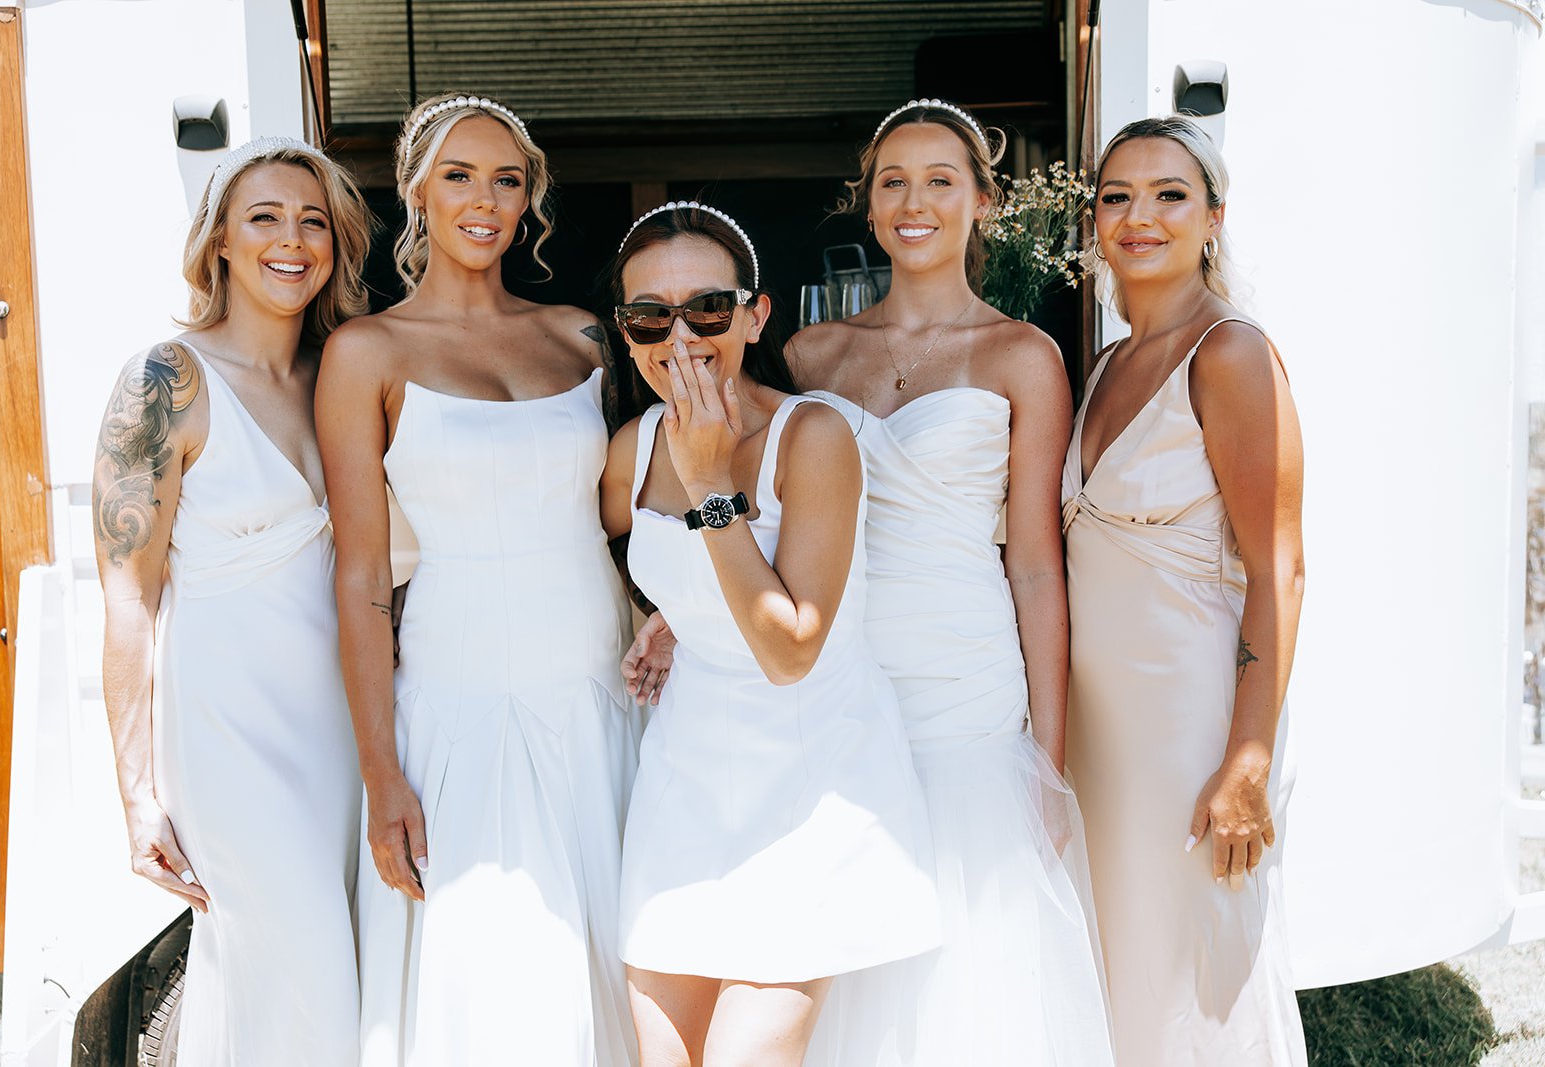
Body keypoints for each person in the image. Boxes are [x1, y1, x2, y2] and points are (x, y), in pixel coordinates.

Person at [317, 92, 639, 1066]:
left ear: (529, 198)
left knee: (608, 954)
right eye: (458, 175)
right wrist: (380, 771)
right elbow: (362, 575)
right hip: (458, 700)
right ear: (417, 191)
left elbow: (641, 502)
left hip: (595, 686)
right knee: (492, 980)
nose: (484, 199)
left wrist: (667, 614)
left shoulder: (583, 336)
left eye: (506, 179)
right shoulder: (366, 352)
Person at [791, 99, 1114, 1066]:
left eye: (941, 181)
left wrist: (1047, 759)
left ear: (983, 202)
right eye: (894, 182)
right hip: (846, 674)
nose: (914, 202)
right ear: (869, 204)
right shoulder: (812, 355)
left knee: (974, 947)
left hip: (969, 684)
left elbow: (1037, 567)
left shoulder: (1024, 356)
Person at [602, 202, 939, 1067]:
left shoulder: (813, 436)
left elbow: (791, 649)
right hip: (685, 784)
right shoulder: (632, 448)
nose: (681, 336)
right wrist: (666, 616)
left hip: (810, 780)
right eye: (651, 316)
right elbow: (612, 555)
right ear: (627, 334)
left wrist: (710, 485)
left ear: (755, 316)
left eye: (708, 308)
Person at [93, 135, 370, 1064]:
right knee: (306, 969)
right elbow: (127, 602)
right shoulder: (165, 382)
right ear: (218, 239)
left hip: (343, 727)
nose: (291, 240)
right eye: (264, 218)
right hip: (228, 737)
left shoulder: (344, 373)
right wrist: (138, 797)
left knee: (325, 979)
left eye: (313, 221)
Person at [1063, 114, 1306, 1065]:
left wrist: (1248, 756)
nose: (1140, 217)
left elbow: (1280, 567)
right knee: (1120, 975)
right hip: (1098, 734)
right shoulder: (1105, 365)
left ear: (1213, 217)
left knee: (1195, 988)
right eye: (1117, 196)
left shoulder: (1230, 353)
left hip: (1191, 727)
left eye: (1170, 195)